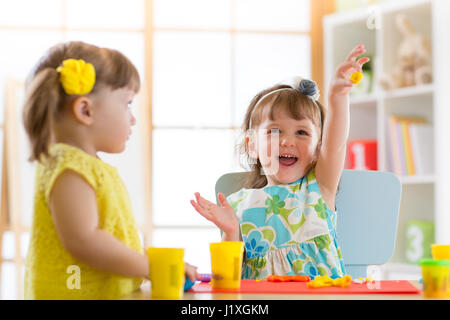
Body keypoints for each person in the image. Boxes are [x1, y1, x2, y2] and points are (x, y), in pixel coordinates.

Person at [23, 41, 197, 299]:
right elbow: (84, 240)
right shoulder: (70, 167)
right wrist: (151, 266)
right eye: (127, 103)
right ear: (85, 110)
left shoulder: (85, 166)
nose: (133, 118)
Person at [191, 45, 370, 280]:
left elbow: (336, 144)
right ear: (252, 145)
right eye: (274, 132)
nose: (287, 141)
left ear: (318, 148)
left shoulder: (319, 188)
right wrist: (231, 231)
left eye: (302, 133)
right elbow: (226, 280)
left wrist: (338, 96)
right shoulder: (237, 206)